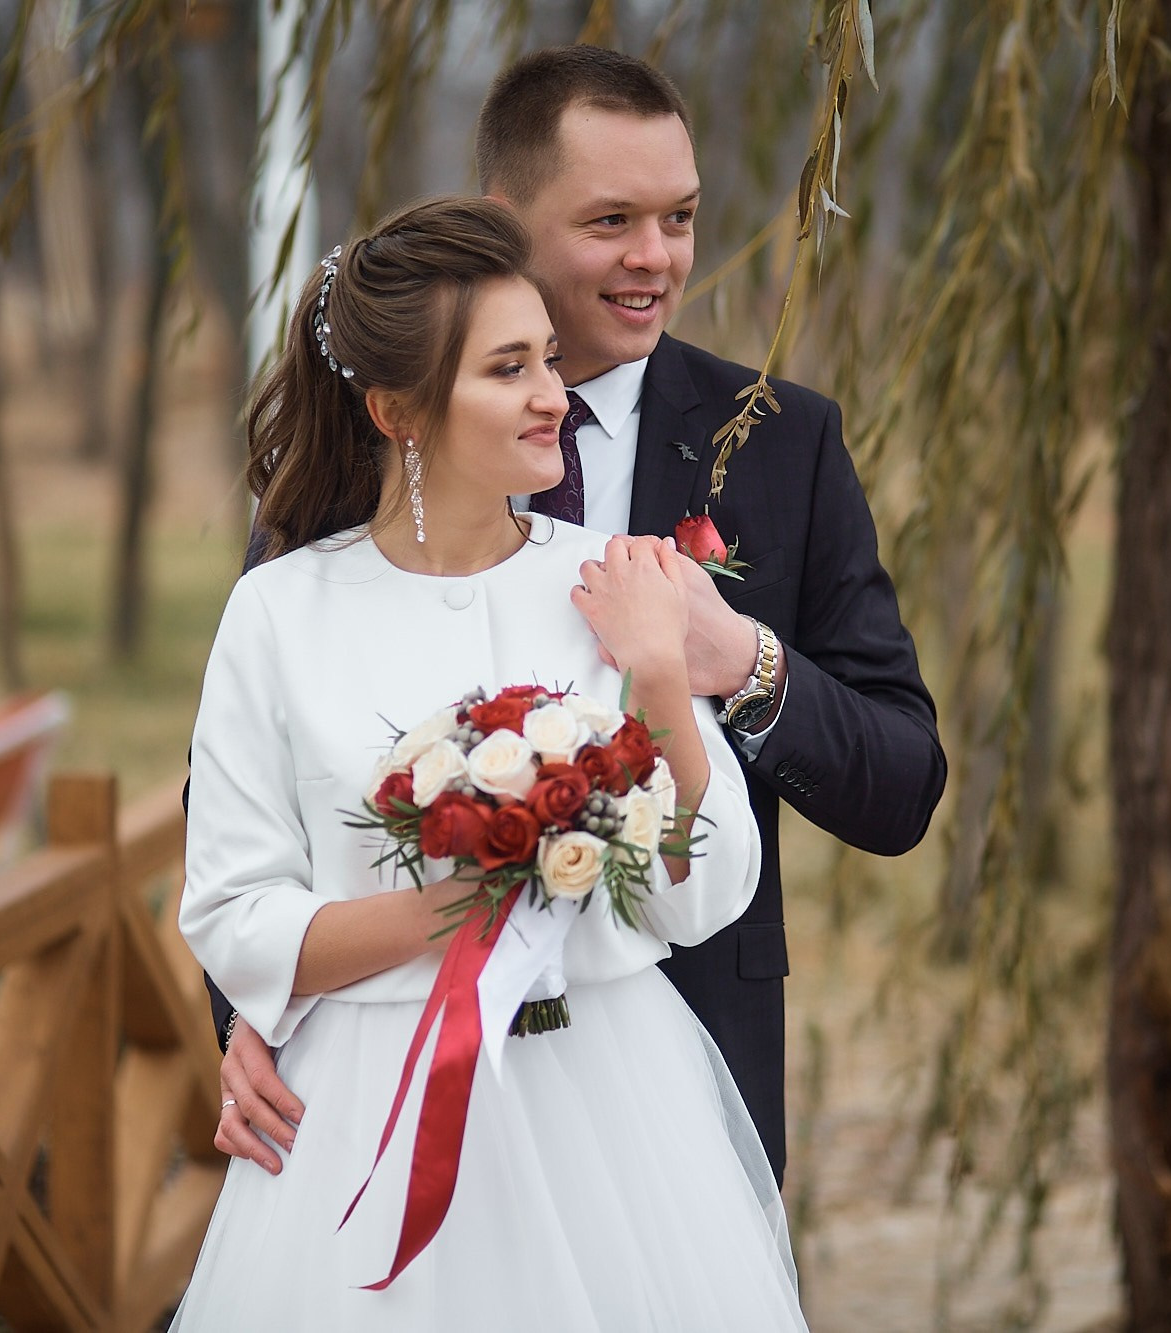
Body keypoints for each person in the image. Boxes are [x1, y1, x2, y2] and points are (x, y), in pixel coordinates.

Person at [211, 45, 947, 1185]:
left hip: (671, 1091)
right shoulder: (367, 454)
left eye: (680, 218)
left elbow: (901, 784)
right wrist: (249, 1008)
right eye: (610, 220)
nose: (654, 259)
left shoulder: (781, 445)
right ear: (505, 219)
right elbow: (240, 795)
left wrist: (737, 661)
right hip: (373, 1092)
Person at [172, 195, 806, 1327]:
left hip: (611, 1105)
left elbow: (705, 895)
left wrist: (661, 679)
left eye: (548, 361)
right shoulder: (277, 615)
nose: (553, 397)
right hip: (366, 1112)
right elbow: (232, 911)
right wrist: (473, 903)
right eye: (507, 368)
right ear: (397, 410)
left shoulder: (617, 584)